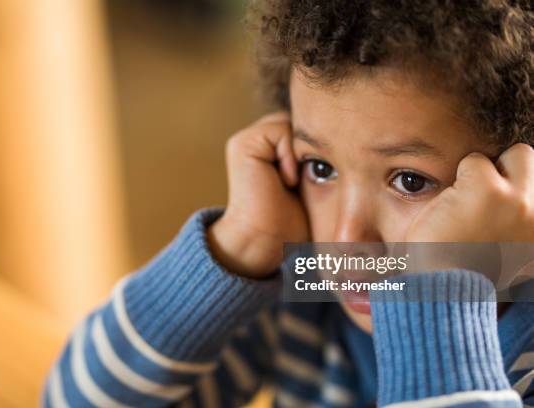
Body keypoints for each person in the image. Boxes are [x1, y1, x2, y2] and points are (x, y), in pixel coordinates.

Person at [44, 0, 534, 406]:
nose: (344, 242)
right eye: (320, 168)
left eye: (410, 180)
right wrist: (241, 243)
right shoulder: (304, 291)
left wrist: (435, 296)